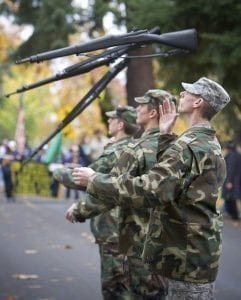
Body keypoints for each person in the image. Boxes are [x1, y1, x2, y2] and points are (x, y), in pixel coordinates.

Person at [71, 77, 230, 299]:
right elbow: (179, 183)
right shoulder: (206, 141)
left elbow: (151, 189)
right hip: (196, 250)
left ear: (198, 103)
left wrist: (95, 179)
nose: (181, 94)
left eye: (188, 92)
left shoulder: (189, 145)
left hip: (186, 255)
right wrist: (165, 137)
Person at [60, 89, 177, 299]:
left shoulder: (139, 148)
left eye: (142, 105)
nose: (137, 108)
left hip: (139, 238)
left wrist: (81, 204)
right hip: (166, 239)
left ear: (153, 114)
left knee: (125, 291)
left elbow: (115, 190)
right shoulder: (175, 147)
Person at [54, 106, 140, 299]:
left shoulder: (117, 151)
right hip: (125, 228)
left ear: (120, 124)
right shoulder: (133, 147)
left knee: (115, 288)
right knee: (124, 283)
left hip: (113, 229)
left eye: (111, 119)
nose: (108, 122)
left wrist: (57, 171)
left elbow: (83, 179)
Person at [222, 141, 241, 221]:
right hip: (236, 180)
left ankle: (234, 215)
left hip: (232, 181)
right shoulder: (237, 155)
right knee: (230, 198)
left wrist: (229, 181)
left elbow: (231, 169)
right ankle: (230, 212)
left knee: (231, 198)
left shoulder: (232, 156)